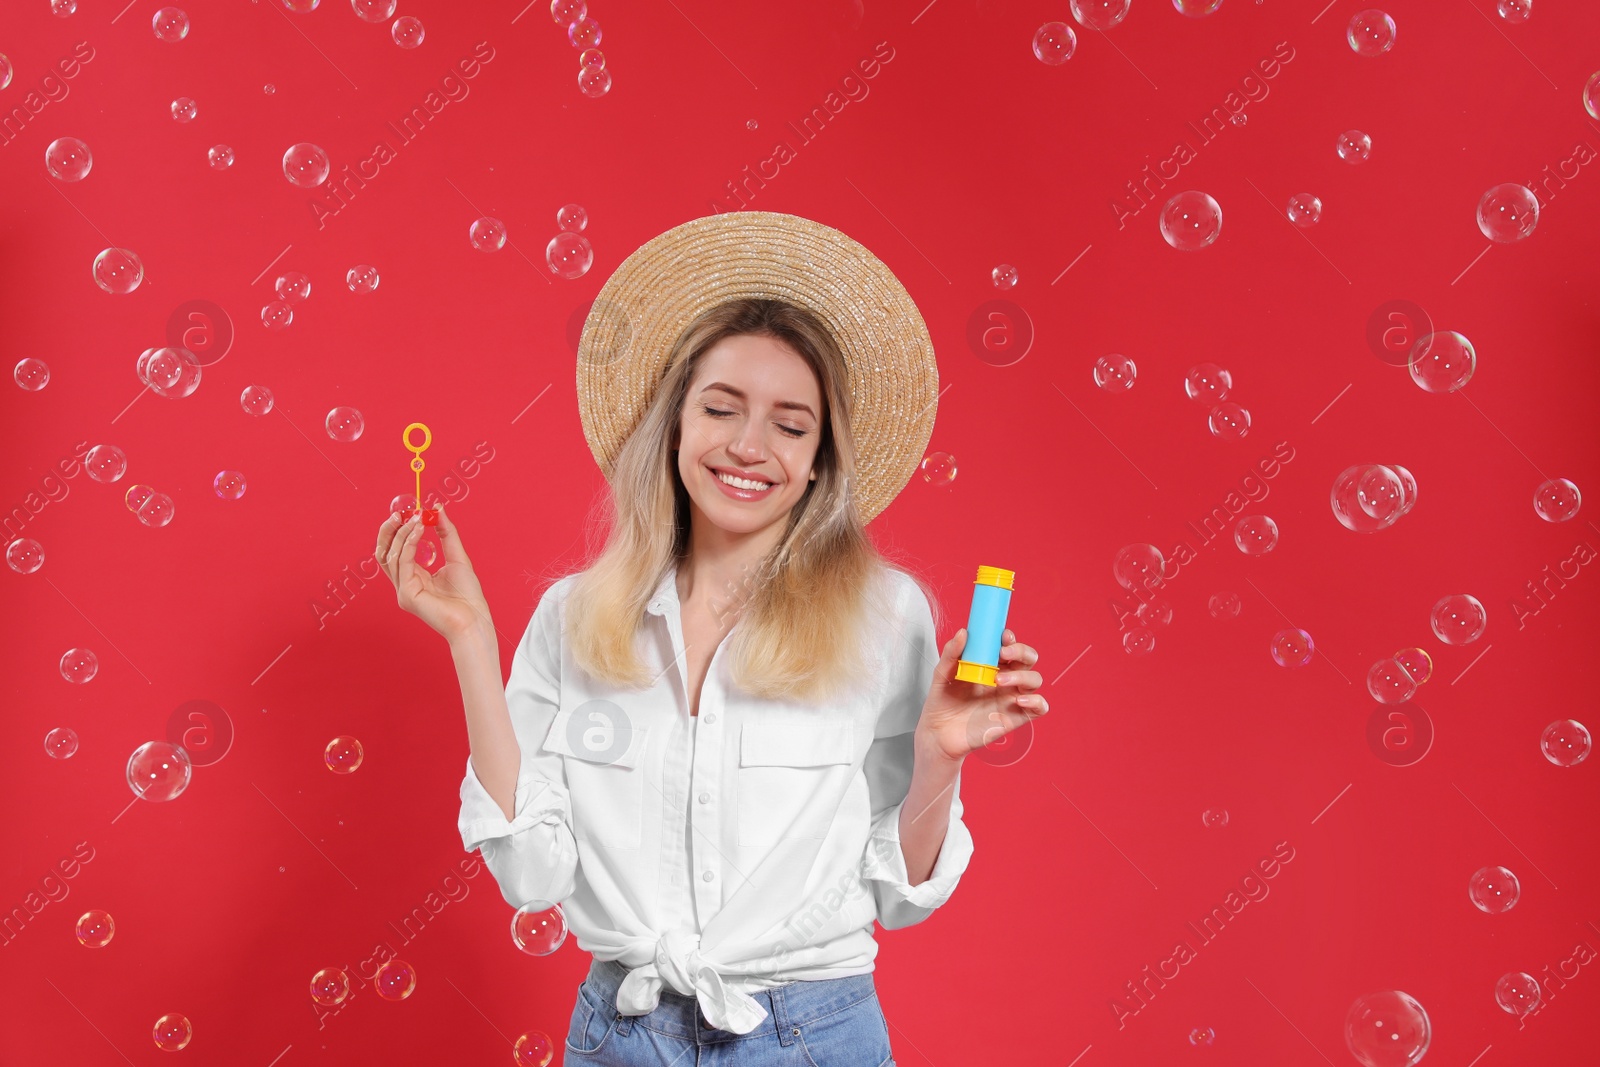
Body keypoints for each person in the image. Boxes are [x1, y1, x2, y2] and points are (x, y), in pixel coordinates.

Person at [374, 213, 1048, 1065]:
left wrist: (938, 752)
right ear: (677, 427)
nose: (747, 445)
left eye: (790, 425)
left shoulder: (886, 612)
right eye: (721, 408)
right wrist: (471, 641)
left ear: (819, 461)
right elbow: (533, 877)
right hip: (619, 1035)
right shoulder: (573, 616)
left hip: (813, 1037)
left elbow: (900, 894)